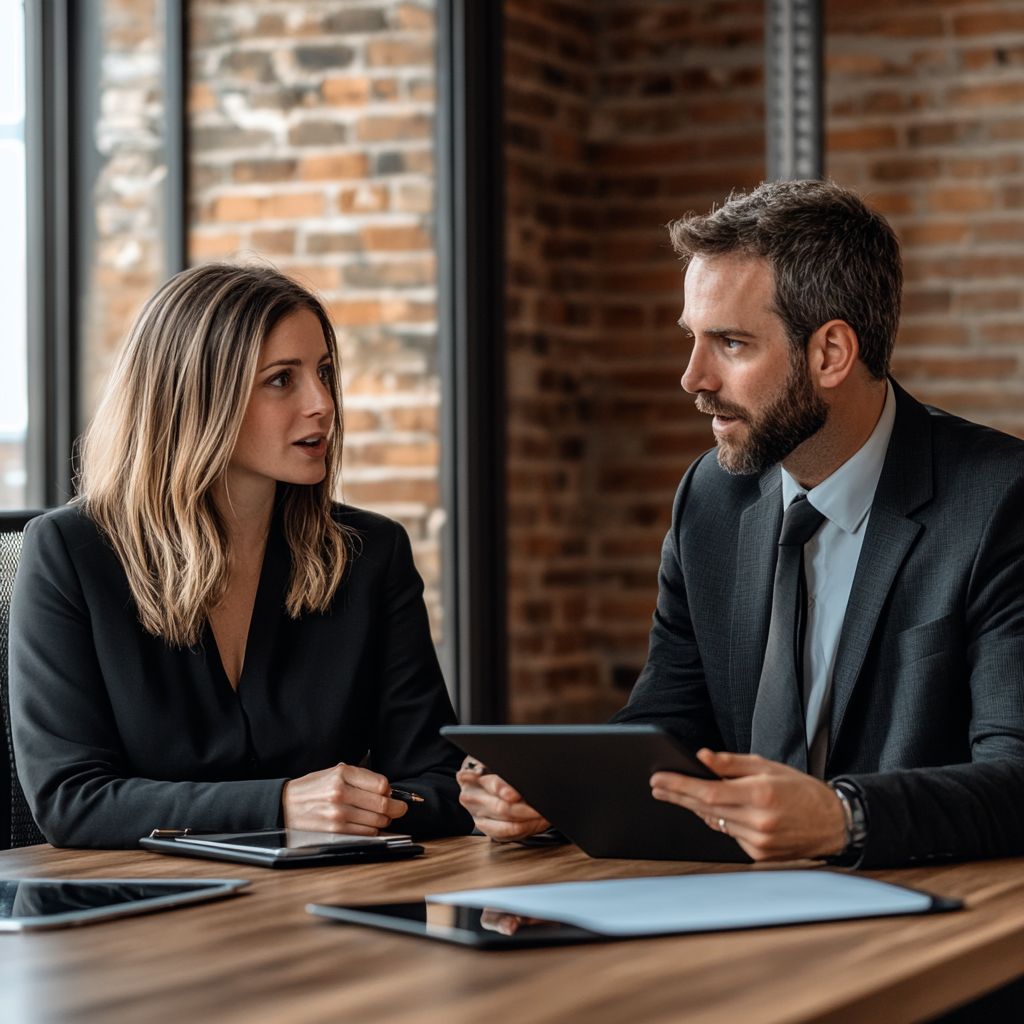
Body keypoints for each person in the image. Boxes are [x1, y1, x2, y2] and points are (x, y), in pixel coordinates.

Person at [459, 180, 1024, 868]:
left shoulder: (999, 502)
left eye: (729, 343)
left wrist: (843, 818)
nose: (692, 378)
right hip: (730, 901)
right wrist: (563, 791)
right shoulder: (711, 496)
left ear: (831, 354)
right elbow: (671, 717)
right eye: (692, 340)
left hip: (924, 917)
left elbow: (1015, 775)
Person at [10, 262, 472, 848]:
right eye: (283, 379)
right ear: (195, 396)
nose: (323, 403)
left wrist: (366, 807)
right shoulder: (72, 552)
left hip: (334, 907)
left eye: (325, 373)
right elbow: (70, 801)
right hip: (149, 915)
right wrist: (280, 804)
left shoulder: (371, 553)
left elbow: (439, 781)